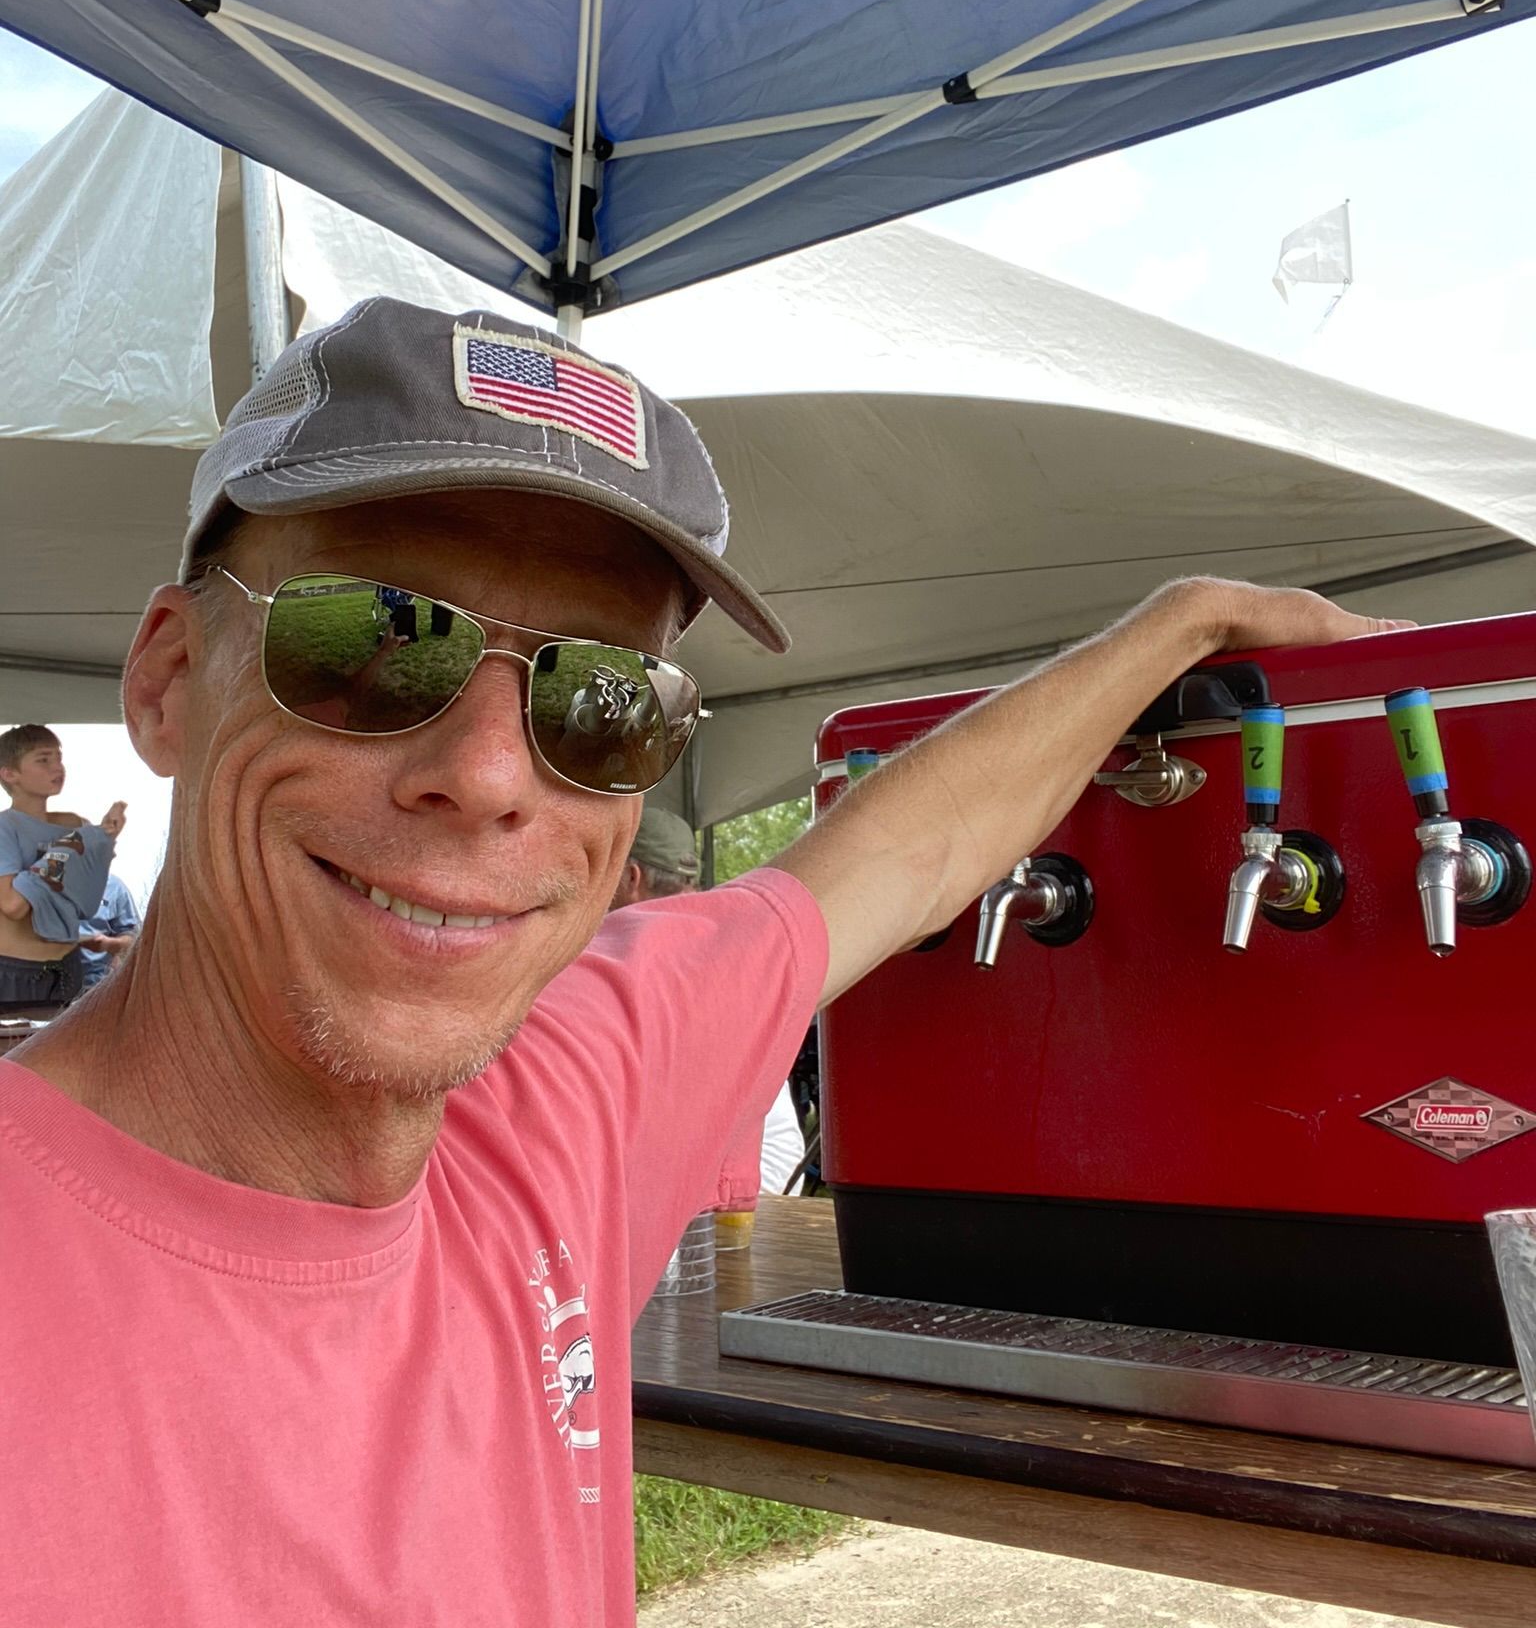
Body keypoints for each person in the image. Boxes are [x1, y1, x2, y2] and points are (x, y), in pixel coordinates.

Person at [0, 298, 1399, 1627]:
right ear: (170, 681)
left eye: (600, 702)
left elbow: (897, 856)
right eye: (373, 642)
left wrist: (1186, 621)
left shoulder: (559, 1110)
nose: (489, 776)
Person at [610, 806, 806, 1198]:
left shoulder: (628, 958)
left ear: (630, 877)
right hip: (760, 1193)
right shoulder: (724, 948)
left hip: (699, 1215)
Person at [0, 725, 126, 1010]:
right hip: (17, 974)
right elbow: (12, 905)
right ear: (10, 774)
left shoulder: (73, 824)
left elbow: (83, 891)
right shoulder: (5, 827)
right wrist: (66, 851)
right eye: (43, 760)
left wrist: (104, 837)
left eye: (58, 758)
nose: (57, 767)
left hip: (68, 967)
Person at [78, 872, 143, 990]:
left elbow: (135, 940)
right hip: (42, 990)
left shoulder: (115, 888)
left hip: (95, 990)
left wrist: (108, 944)